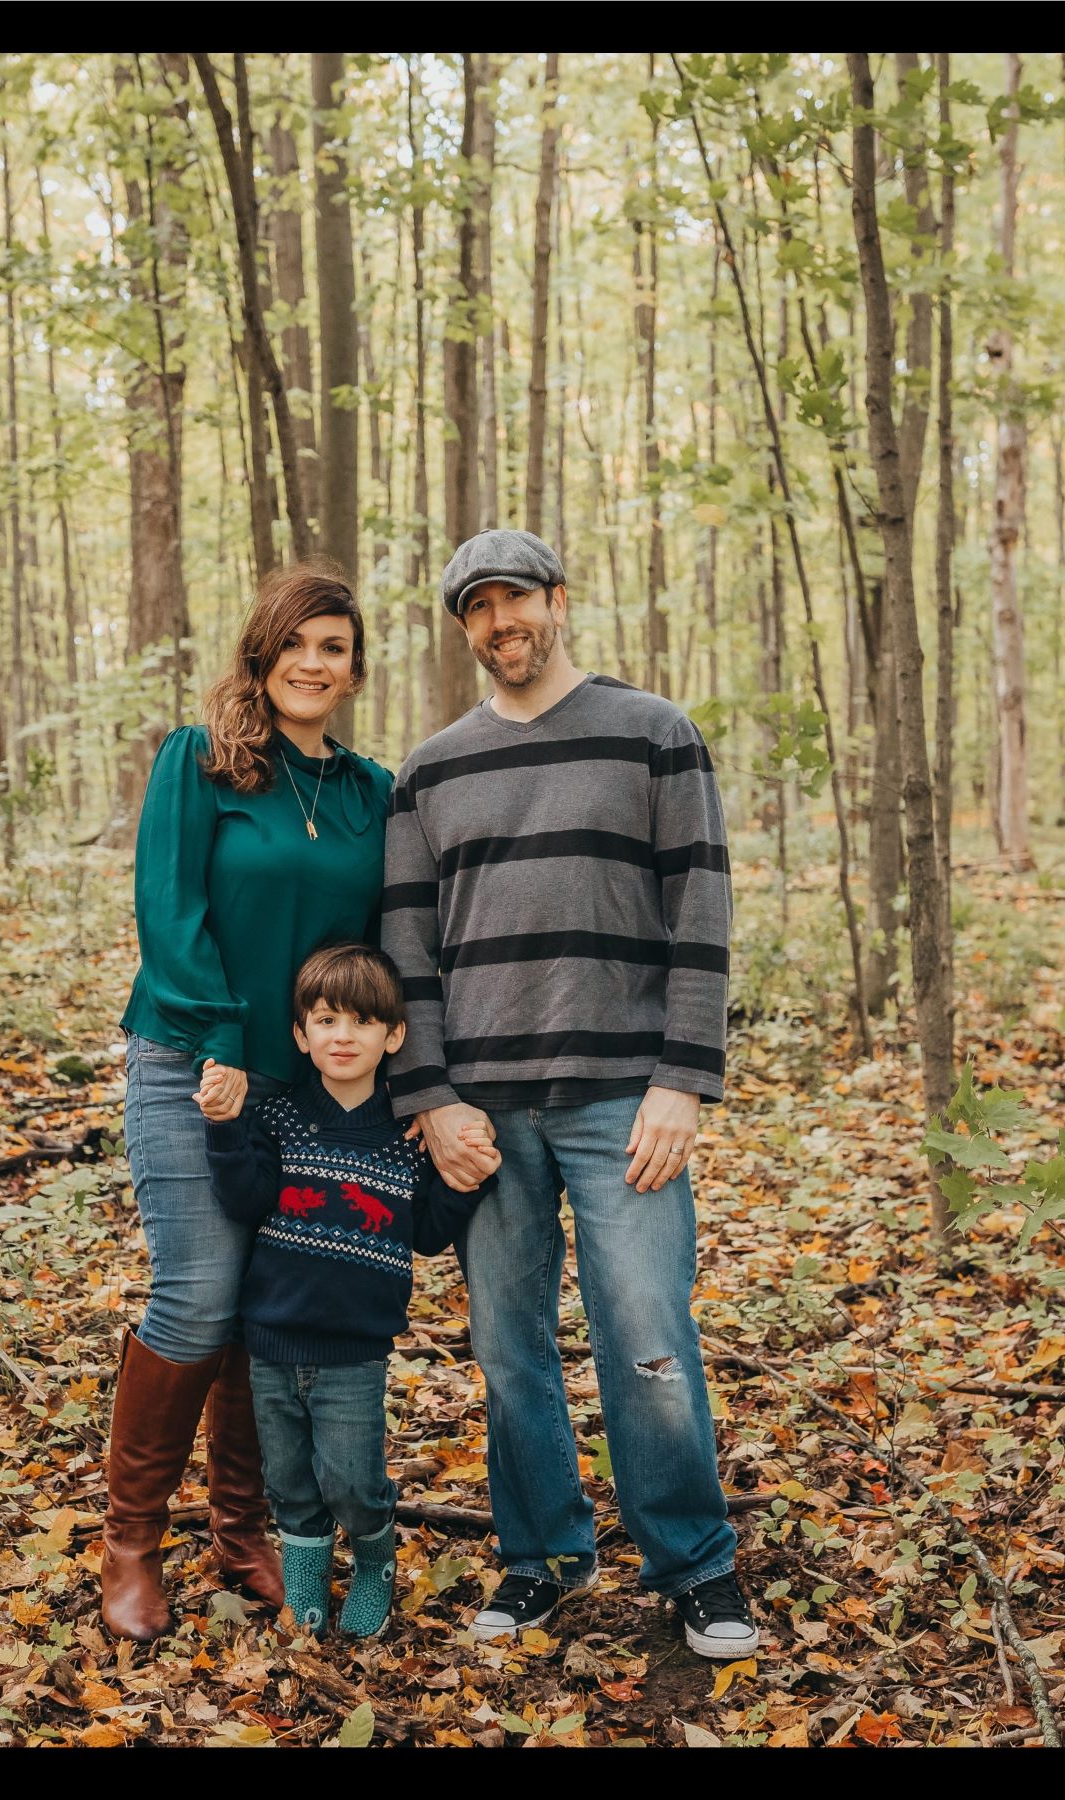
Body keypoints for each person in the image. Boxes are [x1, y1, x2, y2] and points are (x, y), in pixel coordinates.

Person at [381, 527, 760, 1658]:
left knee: (647, 1335)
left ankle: (694, 1565)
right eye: (478, 608)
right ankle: (541, 1555)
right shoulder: (430, 770)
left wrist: (683, 1081)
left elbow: (702, 913)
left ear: (558, 599)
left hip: (621, 1104)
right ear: (463, 628)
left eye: (517, 599)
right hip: (481, 1119)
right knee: (506, 1347)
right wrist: (430, 1098)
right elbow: (407, 954)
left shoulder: (653, 735)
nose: (501, 623)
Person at [104, 564, 392, 1643]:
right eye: (298, 645)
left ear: (354, 668)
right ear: (262, 655)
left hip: (311, 1089)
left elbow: (385, 947)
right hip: (192, 1060)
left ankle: (239, 1528)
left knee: (267, 1303)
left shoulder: (371, 791)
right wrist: (221, 1042)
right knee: (199, 1290)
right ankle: (129, 1542)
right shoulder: (204, 762)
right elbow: (168, 914)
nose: (315, 664)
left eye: (335, 647)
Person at [204, 943, 496, 1639]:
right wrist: (222, 1128)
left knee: (353, 1483)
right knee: (292, 1483)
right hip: (273, 1341)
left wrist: (465, 1181)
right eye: (327, 1021)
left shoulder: (406, 1133)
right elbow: (245, 1199)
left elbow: (424, 1233)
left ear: (392, 1036)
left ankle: (372, 1560)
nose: (343, 1036)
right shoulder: (276, 1119)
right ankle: (305, 1579)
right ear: (301, 1035)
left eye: (361, 1023)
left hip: (355, 1350)